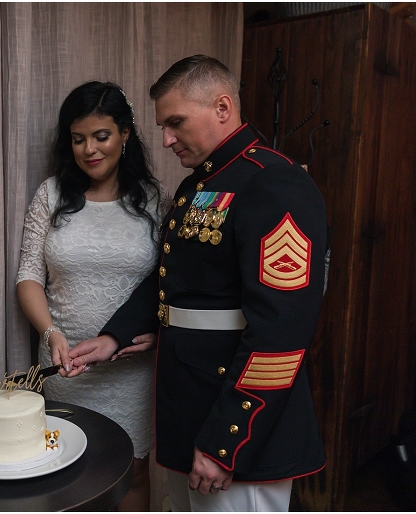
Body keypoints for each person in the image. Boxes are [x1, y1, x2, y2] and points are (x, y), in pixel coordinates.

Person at [67, 55, 328, 511]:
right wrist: (115, 335)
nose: (166, 139)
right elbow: (173, 281)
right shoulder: (200, 186)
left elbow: (281, 333)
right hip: (190, 410)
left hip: (236, 429)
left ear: (222, 108)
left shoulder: (275, 183)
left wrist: (228, 441)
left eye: (176, 122)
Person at [16, 81, 165, 511]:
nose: (89, 150)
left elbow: (170, 281)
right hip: (66, 367)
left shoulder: (154, 201)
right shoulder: (51, 195)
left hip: (131, 372)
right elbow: (28, 276)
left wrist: (156, 333)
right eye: (78, 139)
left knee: (132, 472)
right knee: (65, 471)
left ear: (125, 134)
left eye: (101, 136)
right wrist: (51, 335)